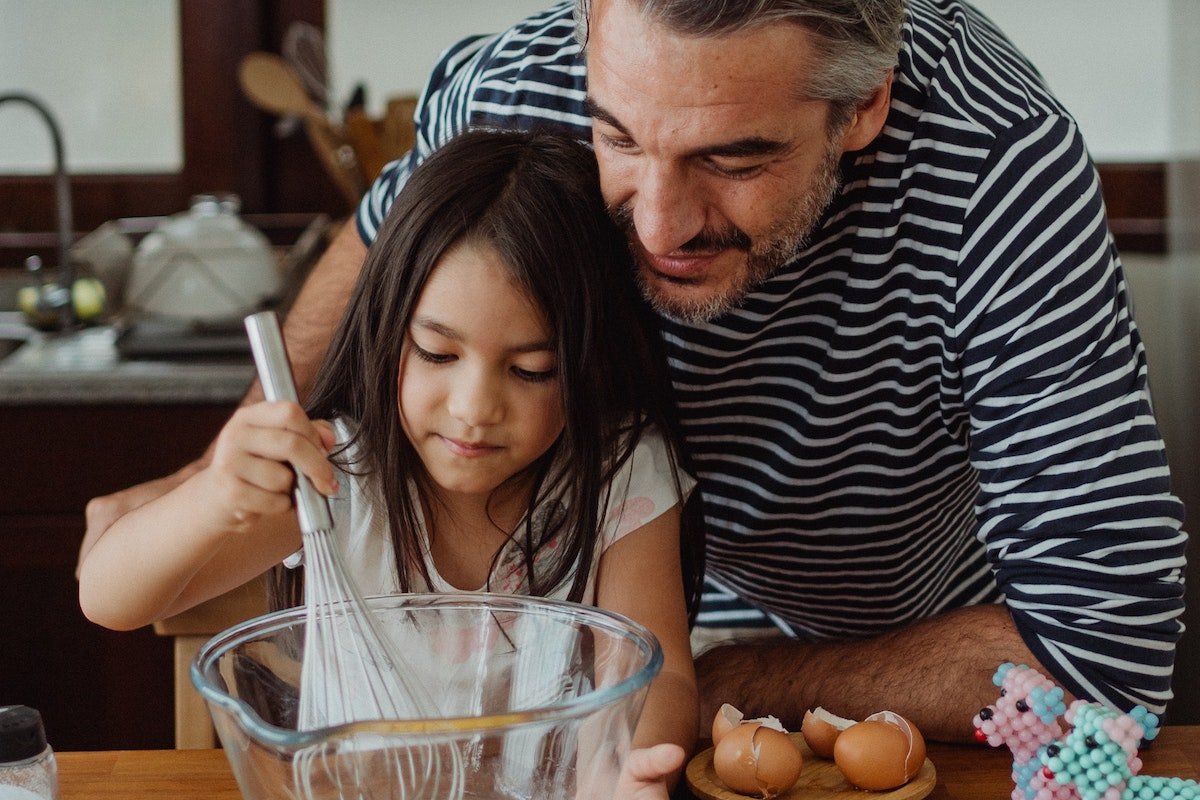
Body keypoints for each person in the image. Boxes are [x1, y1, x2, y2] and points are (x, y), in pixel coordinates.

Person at [83, 0, 1188, 742]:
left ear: (864, 108)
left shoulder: (997, 161)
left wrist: (689, 674)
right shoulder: (514, 86)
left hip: (900, 651)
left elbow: (1100, 656)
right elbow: (385, 257)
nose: (657, 223)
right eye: (617, 136)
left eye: (734, 156)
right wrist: (226, 470)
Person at [79, 129, 699, 797]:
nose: (473, 407)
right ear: (387, 330)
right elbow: (110, 599)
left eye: (531, 369)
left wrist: (622, 767)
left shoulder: (619, 470)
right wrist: (216, 496)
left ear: (590, 363)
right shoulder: (336, 475)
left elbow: (652, 671)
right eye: (437, 353)